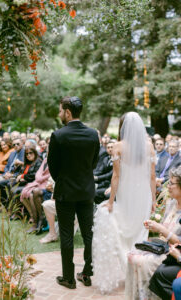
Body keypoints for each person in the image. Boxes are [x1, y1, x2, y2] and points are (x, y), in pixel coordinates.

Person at [92, 111, 156, 294]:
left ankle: (129, 266)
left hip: (126, 193)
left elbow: (116, 177)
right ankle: (138, 271)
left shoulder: (118, 146)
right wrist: (152, 200)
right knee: (140, 233)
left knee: (122, 231)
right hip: (143, 194)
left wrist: (111, 202)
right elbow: (152, 177)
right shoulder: (149, 146)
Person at [48, 96, 100, 289]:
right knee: (89, 234)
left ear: (68, 112)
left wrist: (64, 180)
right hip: (86, 192)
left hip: (65, 193)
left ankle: (69, 278)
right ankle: (87, 273)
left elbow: (53, 168)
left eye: (61, 110)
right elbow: (93, 163)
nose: (59, 114)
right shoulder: (93, 134)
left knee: (67, 235)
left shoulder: (58, 135)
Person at [126, 166, 181, 300]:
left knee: (143, 262)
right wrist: (154, 226)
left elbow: (177, 240)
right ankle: (137, 297)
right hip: (163, 246)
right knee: (132, 256)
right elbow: (164, 230)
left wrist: (161, 229)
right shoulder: (171, 204)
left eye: (172, 183)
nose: (168, 186)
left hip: (174, 253)